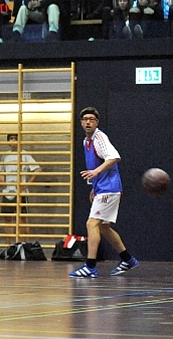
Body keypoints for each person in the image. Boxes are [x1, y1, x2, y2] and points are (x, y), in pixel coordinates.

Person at [69, 107, 139, 278]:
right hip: (103, 188)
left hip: (110, 188)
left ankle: (90, 266)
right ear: (80, 122)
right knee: (104, 227)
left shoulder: (100, 137)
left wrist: (96, 173)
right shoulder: (86, 142)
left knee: (91, 224)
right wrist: (94, 186)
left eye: (92, 119)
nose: (88, 122)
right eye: (85, 119)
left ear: (97, 122)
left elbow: (114, 157)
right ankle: (128, 259)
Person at [0, 134, 41, 243]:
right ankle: (8, 245)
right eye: (11, 139)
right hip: (7, 192)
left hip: (20, 192)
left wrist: (27, 184)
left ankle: (24, 244)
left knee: (22, 219)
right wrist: (2, 180)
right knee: (8, 219)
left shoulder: (25, 154)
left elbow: (37, 169)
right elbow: (1, 170)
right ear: (8, 141)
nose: (13, 141)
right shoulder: (5, 155)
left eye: (15, 138)